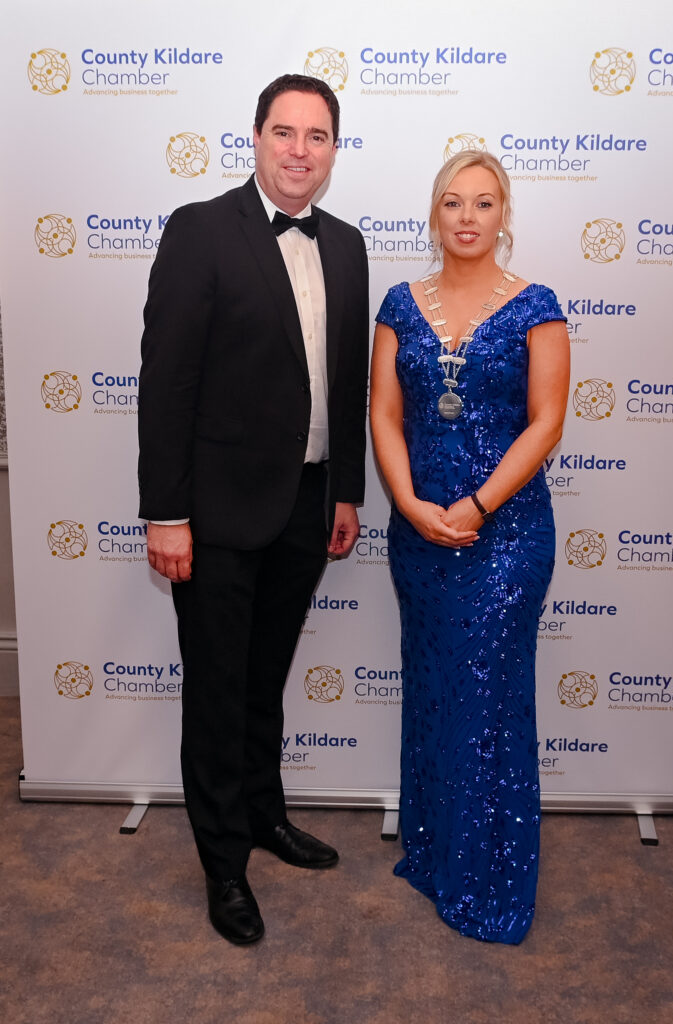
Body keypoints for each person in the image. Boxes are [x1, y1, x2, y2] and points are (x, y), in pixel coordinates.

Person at [138, 74, 369, 945]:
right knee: (218, 690)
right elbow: (167, 384)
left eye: (317, 135)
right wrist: (166, 513)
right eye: (284, 132)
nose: (300, 150)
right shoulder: (200, 230)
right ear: (257, 137)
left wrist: (346, 488)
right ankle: (223, 862)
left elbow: (347, 383)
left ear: (334, 149)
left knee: (265, 678)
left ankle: (265, 814)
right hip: (215, 513)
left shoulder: (347, 245)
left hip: (308, 505)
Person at [370, 151, 569, 944]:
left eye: (484, 203)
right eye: (453, 202)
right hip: (419, 533)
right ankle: (435, 851)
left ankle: (487, 877)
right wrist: (410, 504)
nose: (467, 217)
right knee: (434, 687)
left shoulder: (537, 305)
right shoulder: (399, 303)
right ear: (434, 213)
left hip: (507, 535)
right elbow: (384, 414)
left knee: (488, 695)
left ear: (503, 215)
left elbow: (546, 422)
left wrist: (478, 505)